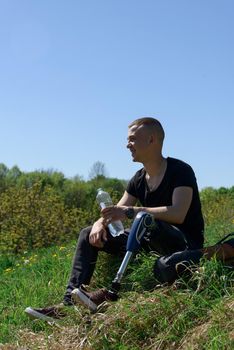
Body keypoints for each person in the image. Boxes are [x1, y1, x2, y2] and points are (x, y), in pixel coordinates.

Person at [25, 117, 204, 321]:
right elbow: (115, 210)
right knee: (86, 233)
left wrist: (131, 211)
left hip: (183, 244)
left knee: (146, 220)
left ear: (152, 140)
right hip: (147, 240)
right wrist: (99, 223)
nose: (127, 144)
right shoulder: (138, 178)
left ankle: (108, 293)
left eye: (133, 139)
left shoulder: (180, 171)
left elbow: (178, 213)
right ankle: (67, 306)